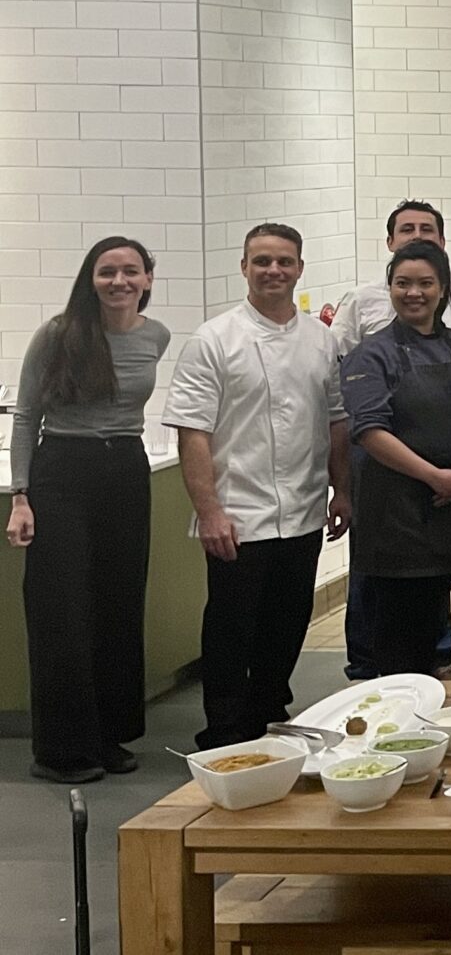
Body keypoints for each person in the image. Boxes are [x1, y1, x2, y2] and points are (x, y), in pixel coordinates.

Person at [165, 224, 350, 751]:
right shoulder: (214, 339)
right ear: (243, 267)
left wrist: (343, 490)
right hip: (238, 514)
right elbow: (193, 433)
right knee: (230, 629)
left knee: (288, 622)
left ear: (299, 268)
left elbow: (336, 421)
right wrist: (210, 512)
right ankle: (223, 730)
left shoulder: (322, 339)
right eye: (262, 261)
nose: (274, 270)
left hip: (303, 509)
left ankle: (269, 711)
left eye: (284, 261)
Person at [9, 237, 168, 783]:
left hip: (125, 468)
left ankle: (108, 737)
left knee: (119, 608)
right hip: (62, 473)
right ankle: (60, 752)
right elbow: (27, 416)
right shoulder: (59, 335)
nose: (119, 281)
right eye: (107, 271)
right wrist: (21, 496)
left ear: (147, 279)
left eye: (130, 271)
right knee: (62, 613)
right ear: (91, 278)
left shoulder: (156, 336)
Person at [340, 241, 451, 682]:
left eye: (424, 283)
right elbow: (370, 430)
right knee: (399, 637)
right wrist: (434, 475)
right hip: (396, 514)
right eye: (402, 283)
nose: (413, 293)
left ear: (443, 290)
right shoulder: (372, 353)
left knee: (432, 611)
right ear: (390, 289)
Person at [331, 200, 451, 355]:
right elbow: (337, 363)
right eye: (407, 229)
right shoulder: (359, 300)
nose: (417, 236)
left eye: (426, 229)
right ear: (390, 242)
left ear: (442, 241)